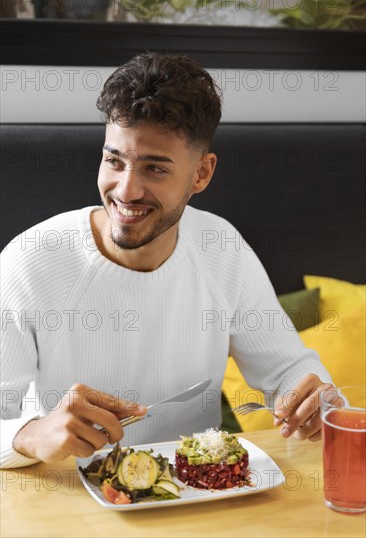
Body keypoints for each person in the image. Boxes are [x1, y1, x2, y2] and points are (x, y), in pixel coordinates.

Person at [0, 52, 333, 469]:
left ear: (201, 174)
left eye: (154, 169)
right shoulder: (30, 260)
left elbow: (287, 370)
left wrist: (316, 399)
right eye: (114, 161)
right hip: (64, 500)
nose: (126, 190)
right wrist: (30, 434)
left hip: (196, 496)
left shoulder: (221, 246)